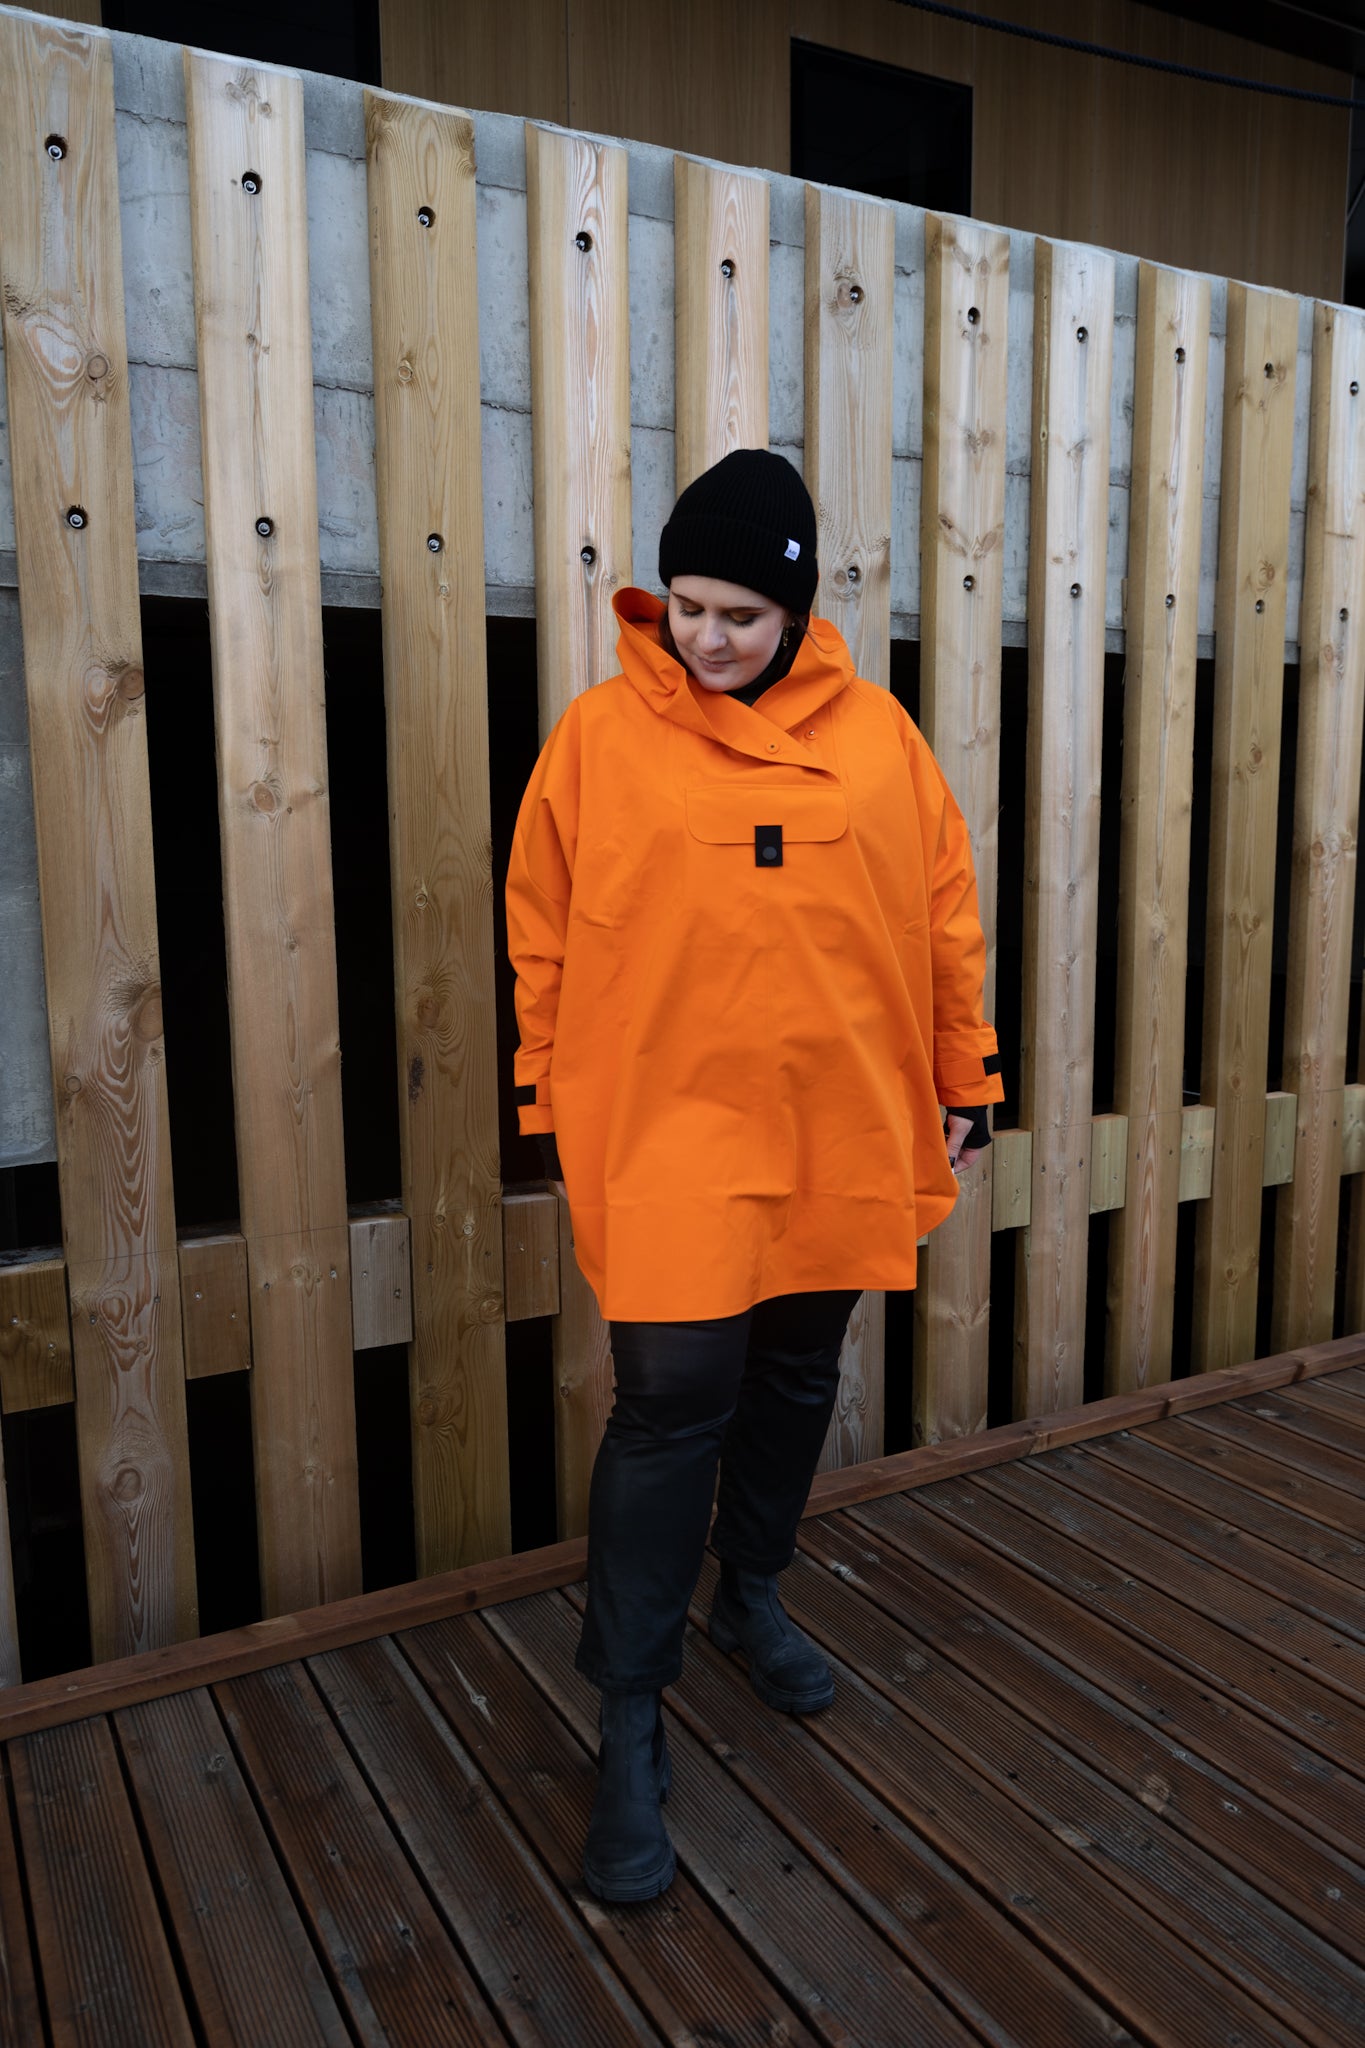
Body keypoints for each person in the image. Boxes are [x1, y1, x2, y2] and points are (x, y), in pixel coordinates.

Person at [506, 449, 1002, 1904]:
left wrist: (964, 1076)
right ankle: (628, 1715)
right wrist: (544, 1096)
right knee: (668, 1405)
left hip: (832, 1115)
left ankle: (755, 1592)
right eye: (687, 607)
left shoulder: (881, 738)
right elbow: (541, 928)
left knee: (794, 1376)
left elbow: (941, 917)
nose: (707, 638)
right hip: (670, 1124)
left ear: (795, 608)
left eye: (739, 614)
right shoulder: (599, 737)